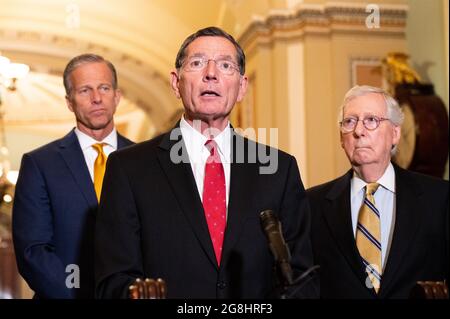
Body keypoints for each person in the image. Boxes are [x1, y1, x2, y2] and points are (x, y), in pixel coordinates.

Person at [95, 27, 316, 298]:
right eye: (197, 63)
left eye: (225, 65)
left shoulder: (279, 170)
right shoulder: (128, 169)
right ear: (176, 83)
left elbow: (302, 280)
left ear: (242, 87)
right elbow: (111, 280)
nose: (211, 73)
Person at [307, 85, 449, 298]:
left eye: (371, 120)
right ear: (341, 138)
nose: (358, 131)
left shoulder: (439, 198)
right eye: (349, 121)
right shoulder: (312, 204)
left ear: (395, 133)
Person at [12, 54, 134, 298]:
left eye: (104, 88)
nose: (97, 98)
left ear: (117, 96)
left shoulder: (145, 161)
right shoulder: (39, 164)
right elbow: (33, 252)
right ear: (69, 102)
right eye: (85, 90)